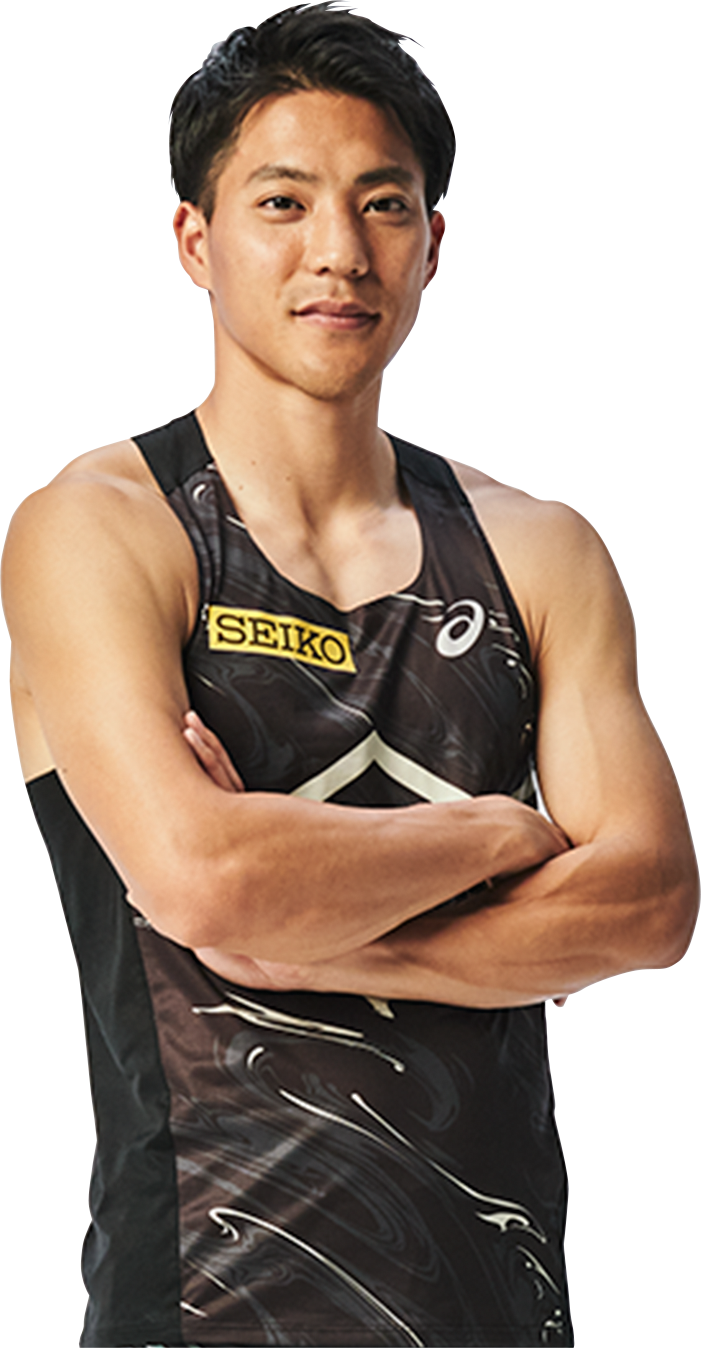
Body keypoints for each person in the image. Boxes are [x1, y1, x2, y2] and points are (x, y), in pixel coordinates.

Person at [2, 2, 697, 1346]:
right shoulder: (103, 530)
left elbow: (655, 900)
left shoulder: (536, 551)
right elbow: (205, 879)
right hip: (206, 1306)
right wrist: (501, 836)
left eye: (384, 204)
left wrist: (306, 933)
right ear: (196, 240)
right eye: (284, 202)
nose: (340, 250)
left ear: (433, 243)